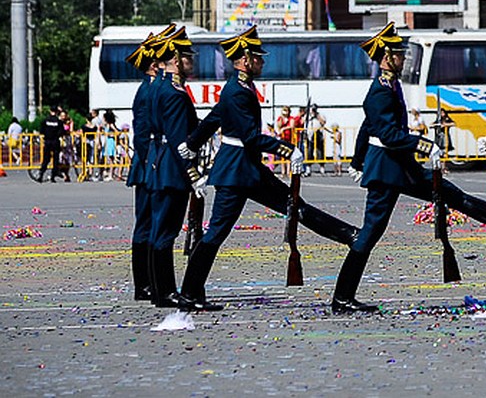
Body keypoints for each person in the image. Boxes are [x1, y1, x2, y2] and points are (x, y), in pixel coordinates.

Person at [332, 23, 486, 314]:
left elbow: (367, 126)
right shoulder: (380, 91)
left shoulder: (390, 85)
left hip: (399, 167)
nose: (403, 58)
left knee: (449, 192)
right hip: (387, 171)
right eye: (398, 53)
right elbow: (385, 134)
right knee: (371, 232)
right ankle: (342, 297)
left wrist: (356, 160)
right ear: (386, 56)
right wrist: (424, 145)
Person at [176, 25, 359, 312]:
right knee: (217, 233)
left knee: (293, 205)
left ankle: (347, 234)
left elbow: (214, 118)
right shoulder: (238, 91)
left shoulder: (239, 87)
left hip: (246, 169)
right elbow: (249, 137)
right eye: (258, 57)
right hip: (236, 173)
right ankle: (189, 293)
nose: (263, 61)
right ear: (245, 59)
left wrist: (193, 143)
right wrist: (287, 149)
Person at [145, 26, 203, 308]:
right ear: (178, 59)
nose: (193, 61)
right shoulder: (175, 94)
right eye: (188, 56)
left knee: (159, 231)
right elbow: (181, 139)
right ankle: (167, 291)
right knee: (166, 232)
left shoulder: (159, 87)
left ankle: (159, 291)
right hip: (171, 166)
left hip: (159, 162)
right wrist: (192, 173)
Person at [125, 26, 170, 302]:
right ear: (154, 65)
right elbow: (141, 134)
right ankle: (143, 284)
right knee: (145, 225)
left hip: (150, 162)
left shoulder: (153, 89)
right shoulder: (146, 92)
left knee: (152, 224)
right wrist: (149, 163)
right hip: (146, 165)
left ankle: (151, 282)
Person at [37, 106, 65, 182]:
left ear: (50, 111)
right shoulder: (59, 122)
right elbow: (61, 132)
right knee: (55, 160)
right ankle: (52, 177)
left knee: (46, 159)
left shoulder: (45, 121)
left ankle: (41, 175)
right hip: (55, 142)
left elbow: (41, 131)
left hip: (47, 142)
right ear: (56, 112)